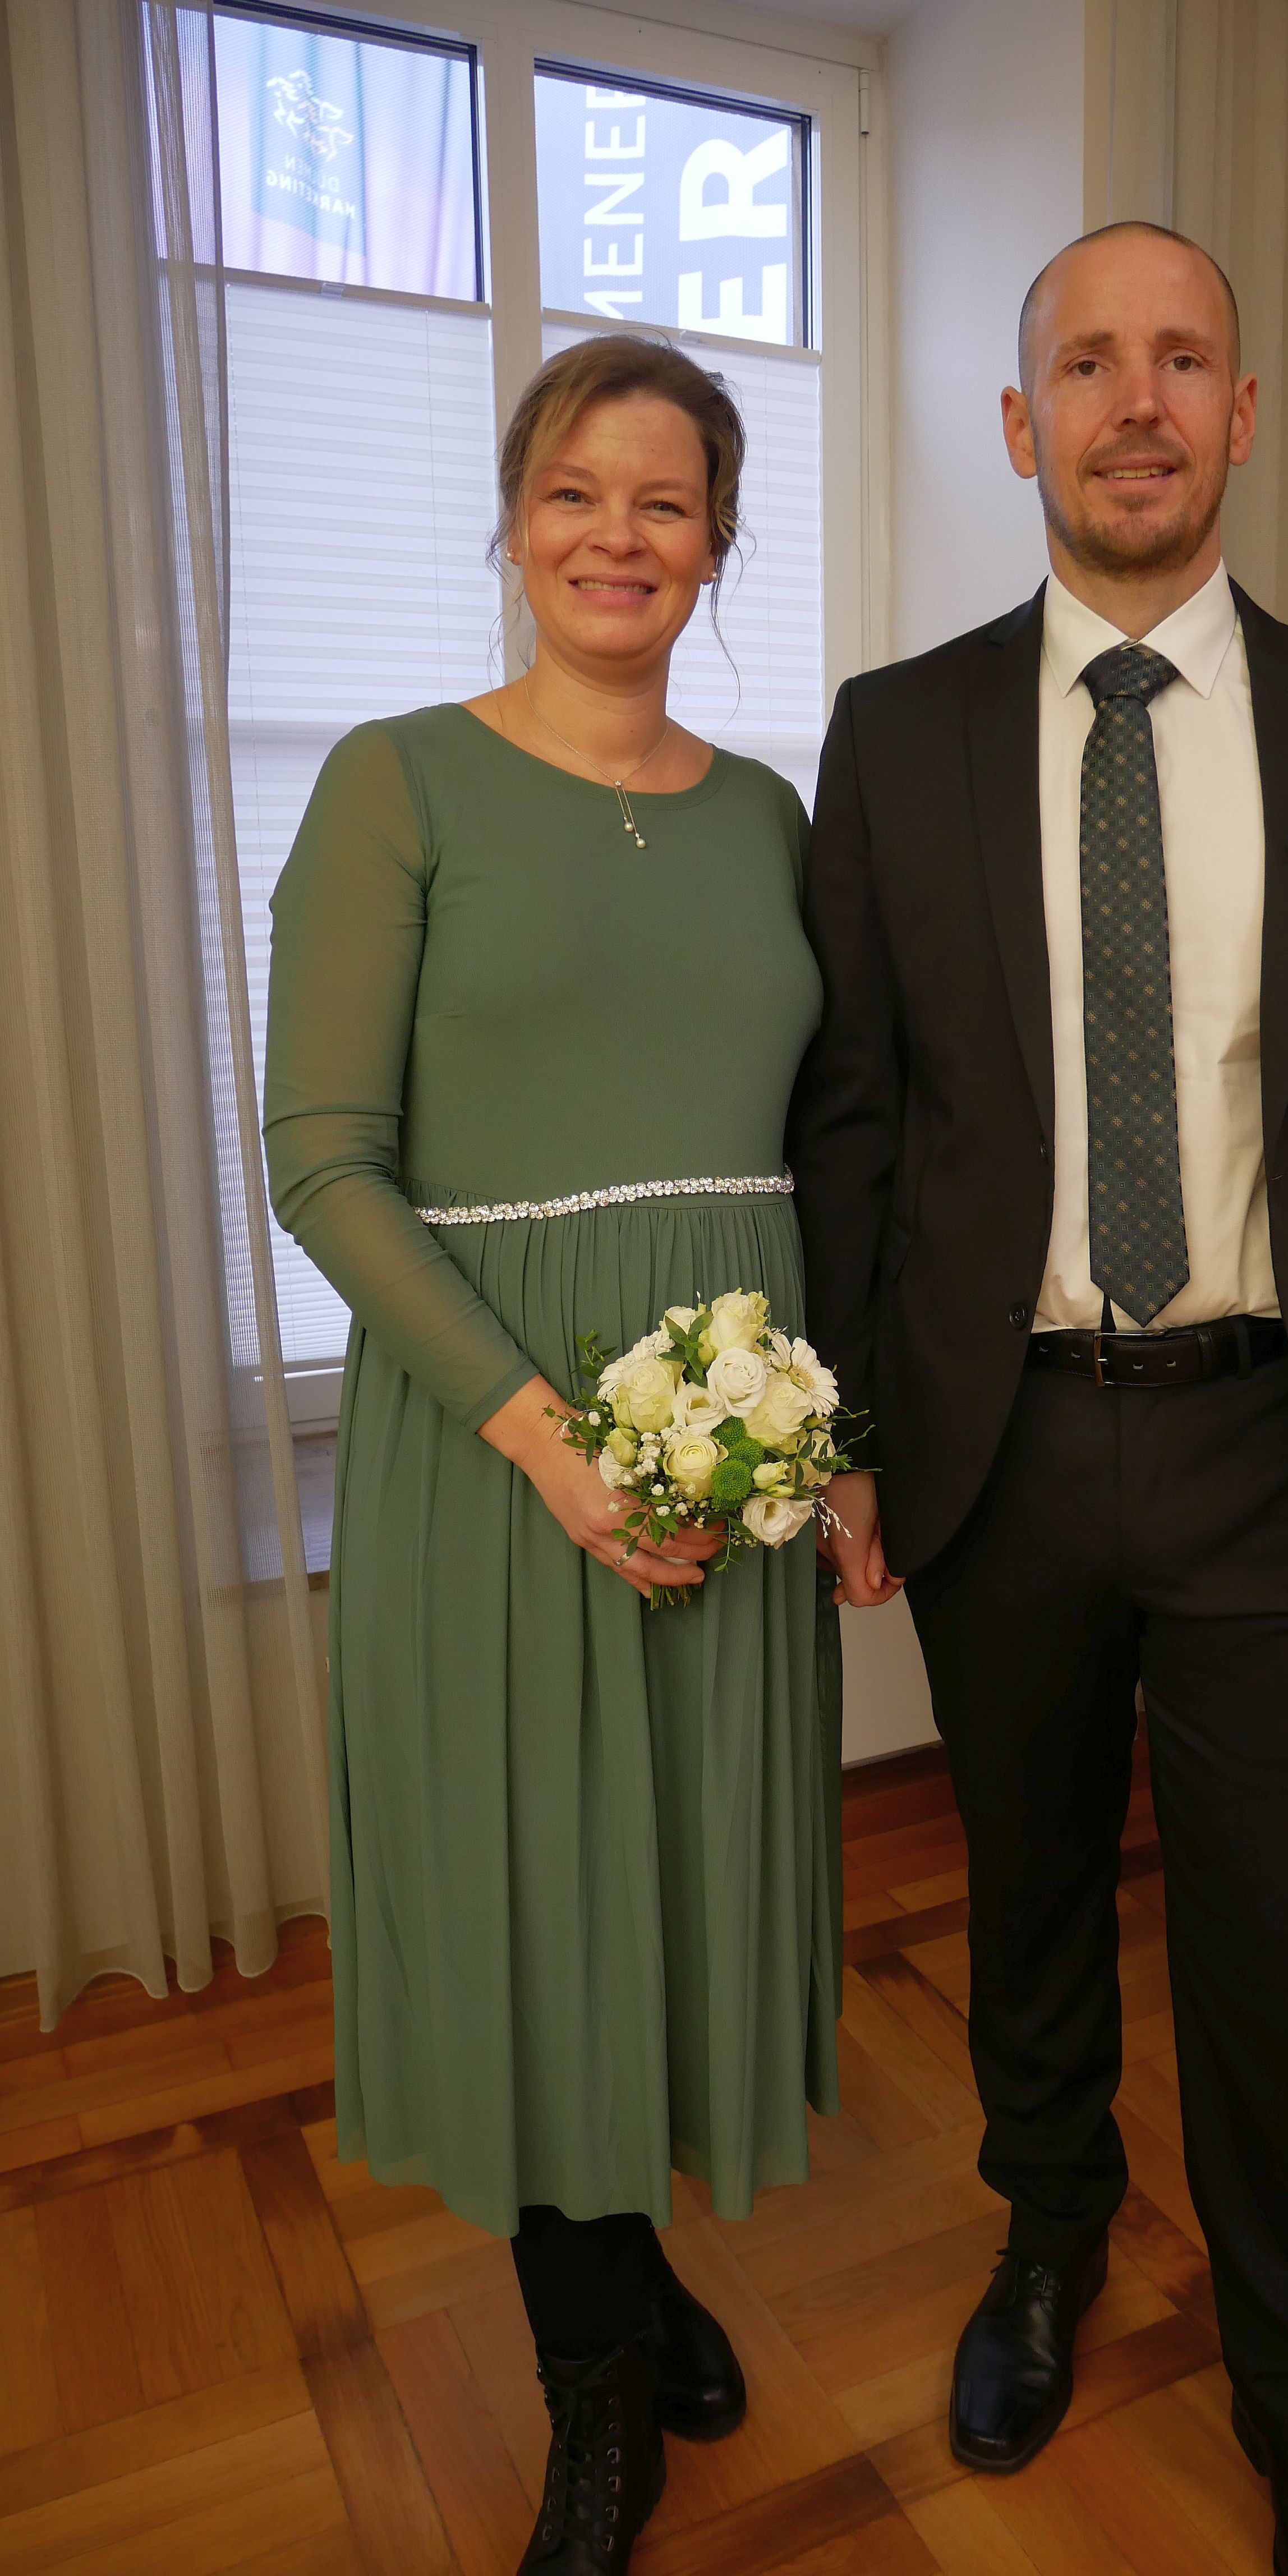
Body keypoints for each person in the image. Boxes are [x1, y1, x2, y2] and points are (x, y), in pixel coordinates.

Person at [789, 222, 1288, 2575]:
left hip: (1272, 1452)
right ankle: (1045, 2240)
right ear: (1020, 421)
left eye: (1181, 358)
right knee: (1022, 1904)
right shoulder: (895, 734)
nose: (1136, 401)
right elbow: (856, 1123)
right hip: (995, 1440)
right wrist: (852, 1438)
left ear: (1241, 411)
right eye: (1087, 364)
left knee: (1278, 1952)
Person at [264, 334, 843, 2576]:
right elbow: (323, 1162)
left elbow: (823, 1143)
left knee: (660, 1894)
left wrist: (835, 1436)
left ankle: (635, 2275)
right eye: (576, 491)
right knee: (535, 1907)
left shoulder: (767, 817)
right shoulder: (395, 782)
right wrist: (540, 1435)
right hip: (499, 1456)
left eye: (666, 499)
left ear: (719, 542)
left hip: (731, 1456)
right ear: (513, 521)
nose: (619, 534)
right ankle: (593, 2385)